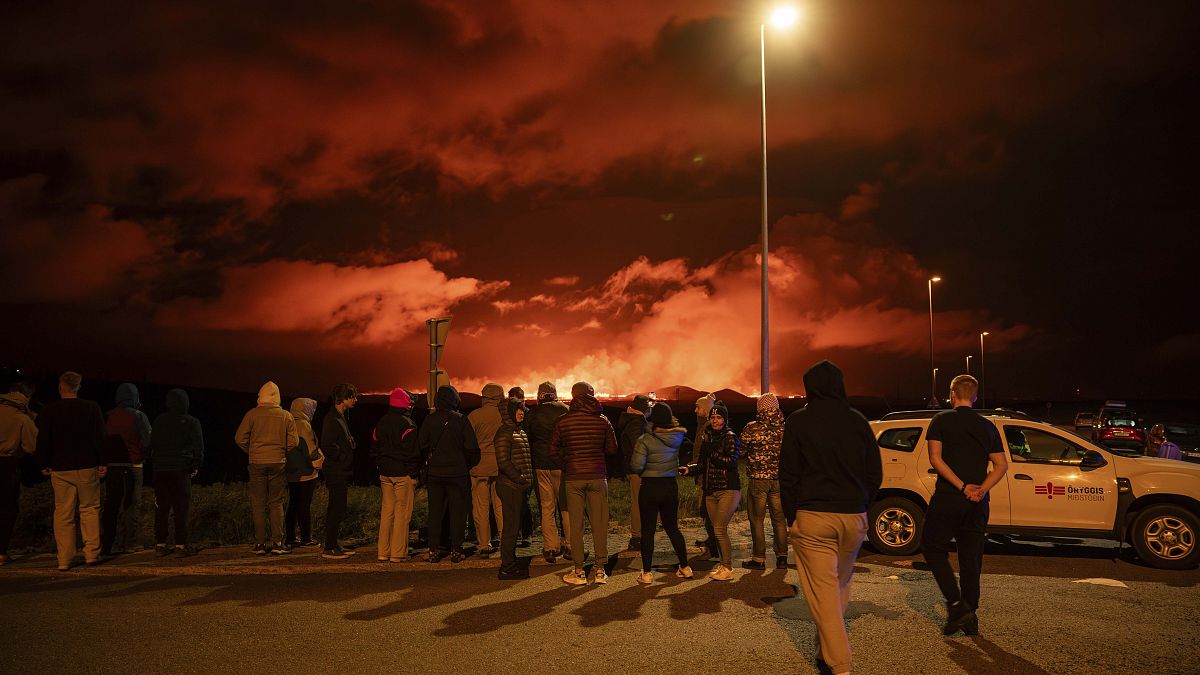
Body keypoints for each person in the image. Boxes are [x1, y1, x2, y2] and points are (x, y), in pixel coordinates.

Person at [780, 360, 883, 675]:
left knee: (824, 592)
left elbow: (788, 476)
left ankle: (841, 666)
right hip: (853, 518)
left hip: (813, 518)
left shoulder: (799, 422)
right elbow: (874, 474)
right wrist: (862, 504)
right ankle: (826, 649)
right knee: (840, 584)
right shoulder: (858, 421)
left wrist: (791, 517)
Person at [923, 374, 1008, 637]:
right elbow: (1002, 465)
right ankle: (971, 615)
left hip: (949, 498)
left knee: (932, 549)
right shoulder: (987, 426)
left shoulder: (941, 421)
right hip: (978, 504)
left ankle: (958, 606)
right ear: (974, 396)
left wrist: (962, 486)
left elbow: (936, 459)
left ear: (951, 394)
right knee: (971, 560)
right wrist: (982, 488)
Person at [35, 372, 107, 571]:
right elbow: (100, 436)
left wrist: (42, 462)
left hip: (60, 467)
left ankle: (64, 559)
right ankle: (92, 553)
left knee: (63, 513)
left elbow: (43, 439)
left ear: (60, 387)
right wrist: (103, 461)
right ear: (78, 386)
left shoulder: (50, 410)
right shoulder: (91, 408)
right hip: (87, 465)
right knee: (90, 509)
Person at [550, 381, 618, 585]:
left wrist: (568, 463)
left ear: (573, 396)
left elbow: (552, 451)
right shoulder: (602, 420)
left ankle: (579, 571)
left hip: (573, 479)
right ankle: (600, 570)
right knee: (599, 524)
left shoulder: (563, 421)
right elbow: (612, 449)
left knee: (576, 526)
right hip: (597, 477)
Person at [629, 402, 693, 583]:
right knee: (672, 528)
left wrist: (644, 471)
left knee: (648, 531)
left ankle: (647, 573)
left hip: (650, 487)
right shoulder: (677, 438)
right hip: (670, 486)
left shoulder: (644, 440)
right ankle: (685, 567)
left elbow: (636, 465)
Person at [234, 381, 298, 556]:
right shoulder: (286, 416)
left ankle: (260, 543)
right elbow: (294, 442)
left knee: (258, 503)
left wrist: (252, 451)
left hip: (256, 463)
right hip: (278, 461)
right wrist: (281, 450)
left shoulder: (252, 415)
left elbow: (240, 438)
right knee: (276, 502)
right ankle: (278, 542)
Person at [419, 385, 480, 563]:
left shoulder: (429, 420)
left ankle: (433, 550)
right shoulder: (461, 420)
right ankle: (456, 549)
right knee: (458, 512)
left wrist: (430, 457)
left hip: (436, 473)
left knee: (435, 512)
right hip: (457, 473)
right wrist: (464, 463)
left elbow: (421, 444)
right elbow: (471, 447)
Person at [681, 401, 740, 581]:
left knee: (720, 529)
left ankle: (728, 567)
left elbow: (730, 462)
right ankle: (723, 564)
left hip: (727, 489)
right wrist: (689, 469)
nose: (715, 421)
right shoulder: (707, 436)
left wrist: (711, 451)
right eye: (713, 417)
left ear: (725, 420)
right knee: (715, 529)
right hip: (710, 490)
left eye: (719, 417)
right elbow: (702, 464)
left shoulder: (729, 437)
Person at [144, 389, 204, 557]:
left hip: (160, 470)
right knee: (181, 508)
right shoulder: (192, 421)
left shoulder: (159, 421)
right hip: (181, 469)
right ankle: (180, 544)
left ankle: (160, 544)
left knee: (161, 507)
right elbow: (198, 446)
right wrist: (196, 465)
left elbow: (150, 445)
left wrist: (151, 459)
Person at [101, 382, 152, 556]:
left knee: (111, 505)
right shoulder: (139, 416)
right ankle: (130, 543)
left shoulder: (108, 415)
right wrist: (143, 455)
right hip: (133, 465)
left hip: (112, 466)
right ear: (136, 397)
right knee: (132, 505)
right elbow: (148, 441)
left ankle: (108, 544)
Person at [739, 392, 789, 570]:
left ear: (760, 408)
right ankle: (782, 558)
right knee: (779, 519)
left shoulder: (751, 428)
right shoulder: (785, 428)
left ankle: (759, 558)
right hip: (779, 480)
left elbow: (741, 451)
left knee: (756, 519)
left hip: (758, 480)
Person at [372, 388, 420, 562]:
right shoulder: (408, 424)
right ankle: (398, 553)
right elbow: (413, 453)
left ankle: (383, 551)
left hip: (385, 473)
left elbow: (375, 447)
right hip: (402, 473)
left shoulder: (381, 422)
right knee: (402, 514)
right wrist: (413, 474)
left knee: (387, 512)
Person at [528, 381, 570, 563]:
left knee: (547, 507)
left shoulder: (532, 413)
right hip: (561, 465)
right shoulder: (565, 410)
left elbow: (528, 437)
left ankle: (550, 547)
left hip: (541, 465)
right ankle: (570, 545)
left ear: (539, 395)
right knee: (566, 506)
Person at [495, 397, 533, 579]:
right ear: (508, 412)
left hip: (518, 487)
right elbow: (503, 462)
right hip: (510, 486)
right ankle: (507, 567)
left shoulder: (518, 431)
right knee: (511, 528)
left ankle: (510, 562)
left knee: (514, 526)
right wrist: (520, 478)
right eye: (517, 409)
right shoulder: (505, 433)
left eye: (522, 409)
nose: (521, 412)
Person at [320, 383, 359, 559]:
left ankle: (333, 543)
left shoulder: (341, 417)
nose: (355, 400)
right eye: (353, 397)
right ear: (344, 398)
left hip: (341, 470)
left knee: (338, 507)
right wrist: (343, 456)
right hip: (336, 471)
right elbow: (327, 446)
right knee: (336, 508)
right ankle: (329, 546)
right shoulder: (332, 419)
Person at [0, 383, 37, 565]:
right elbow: (31, 446)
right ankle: (1, 552)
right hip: (7, 463)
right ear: (27, 396)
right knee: (7, 508)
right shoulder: (21, 418)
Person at [467, 383, 505, 557]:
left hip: (479, 467)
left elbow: (467, 444)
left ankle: (484, 544)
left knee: (481, 508)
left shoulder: (474, 416)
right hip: (500, 467)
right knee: (501, 507)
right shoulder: (505, 416)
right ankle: (506, 542)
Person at [285, 398, 322, 547]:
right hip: (306, 471)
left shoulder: (287, 422)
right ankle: (306, 538)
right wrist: (319, 461)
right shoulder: (304, 425)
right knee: (304, 504)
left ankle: (290, 537)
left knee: (293, 504)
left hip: (290, 470)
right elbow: (311, 449)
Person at [616, 394, 651, 551]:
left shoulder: (632, 420)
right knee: (638, 502)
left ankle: (639, 535)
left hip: (633, 467)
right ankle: (637, 537)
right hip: (637, 469)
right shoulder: (636, 422)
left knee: (639, 501)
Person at [690, 392, 717, 556]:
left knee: (707, 512)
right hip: (703, 476)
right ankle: (712, 541)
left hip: (707, 478)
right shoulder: (703, 427)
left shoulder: (708, 429)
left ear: (706, 410)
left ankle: (714, 547)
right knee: (706, 512)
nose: (695, 411)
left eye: (698, 407)